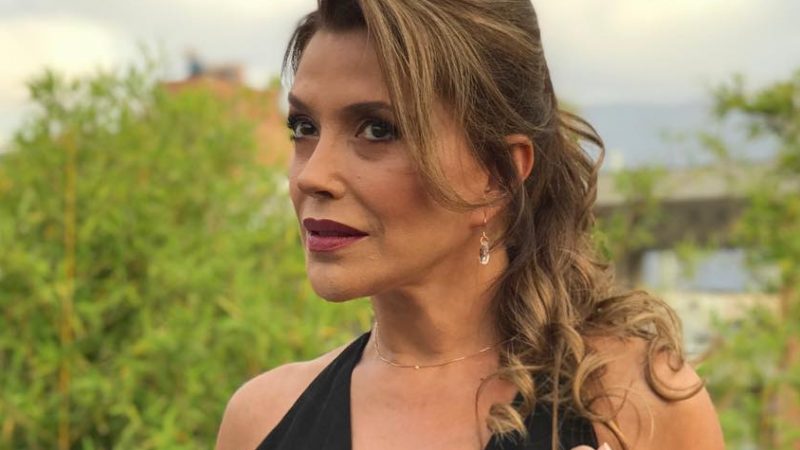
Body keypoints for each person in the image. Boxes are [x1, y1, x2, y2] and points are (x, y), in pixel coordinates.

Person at [215, 1, 725, 449]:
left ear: (496, 175)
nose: (312, 175)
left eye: (377, 130)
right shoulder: (262, 420)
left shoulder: (632, 402)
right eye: (304, 128)